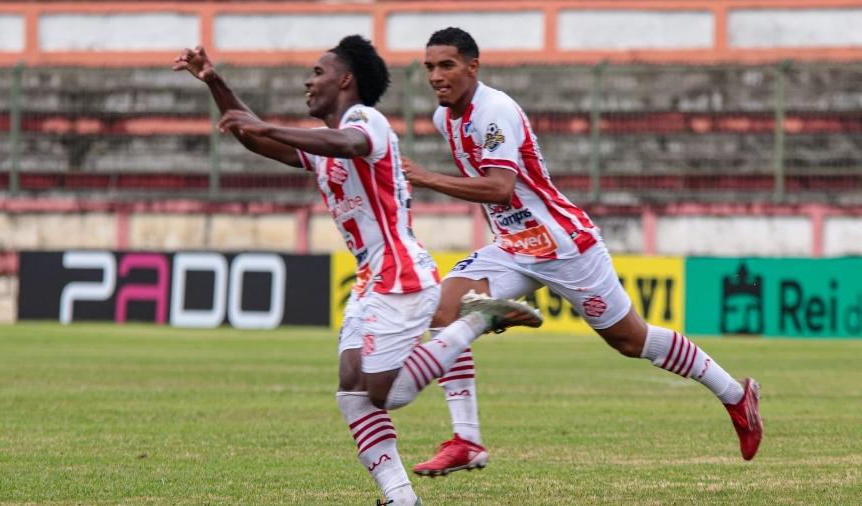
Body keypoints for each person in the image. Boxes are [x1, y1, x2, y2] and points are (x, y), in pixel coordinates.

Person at [173, 35, 542, 505]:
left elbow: (348, 143)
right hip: (370, 278)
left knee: (387, 394)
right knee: (351, 388)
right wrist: (214, 81)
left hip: (401, 272)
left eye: (318, 73)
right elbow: (254, 136)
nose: (309, 81)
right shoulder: (323, 142)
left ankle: (477, 320)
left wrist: (269, 127)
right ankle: (400, 497)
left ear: (345, 80)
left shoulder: (364, 120)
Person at [401, 27, 763, 476]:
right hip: (513, 247)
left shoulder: (493, 112)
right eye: (430, 67)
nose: (436, 75)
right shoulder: (445, 119)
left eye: (447, 65)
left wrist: (425, 177)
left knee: (632, 340)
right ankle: (466, 440)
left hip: (564, 245)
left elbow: (499, 187)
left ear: (472, 67)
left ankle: (735, 395)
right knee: (441, 310)